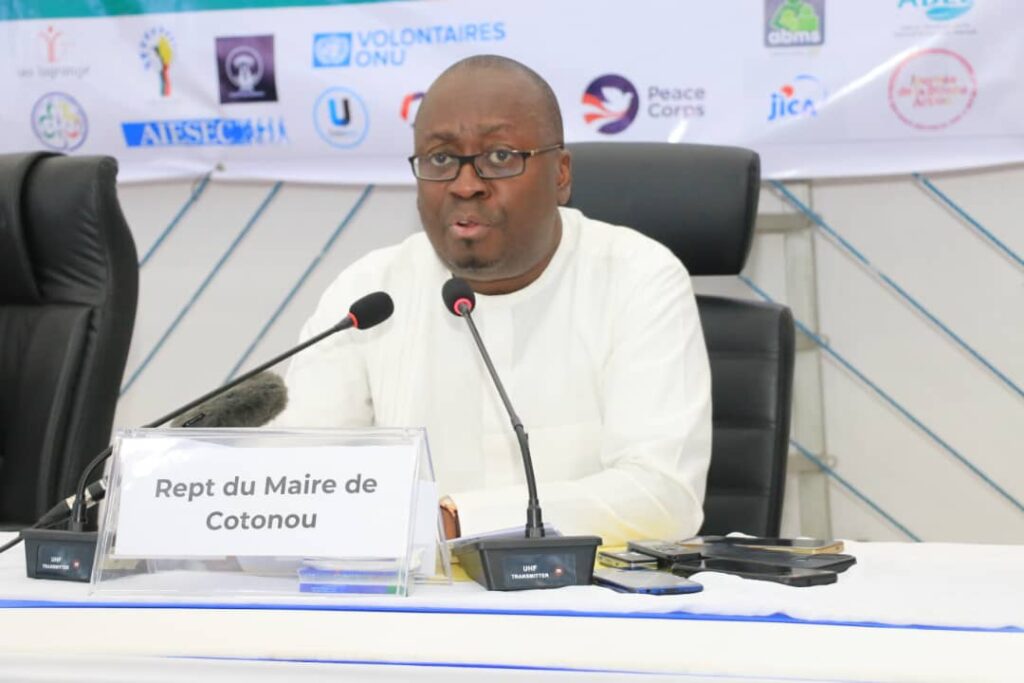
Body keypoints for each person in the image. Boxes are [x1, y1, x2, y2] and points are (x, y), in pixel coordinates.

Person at [274, 55, 711, 545]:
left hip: (586, 589)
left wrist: (454, 523)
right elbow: (299, 477)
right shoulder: (369, 295)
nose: (466, 185)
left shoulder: (638, 277)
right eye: (441, 159)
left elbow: (663, 495)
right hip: (412, 588)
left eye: (501, 156)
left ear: (561, 174)